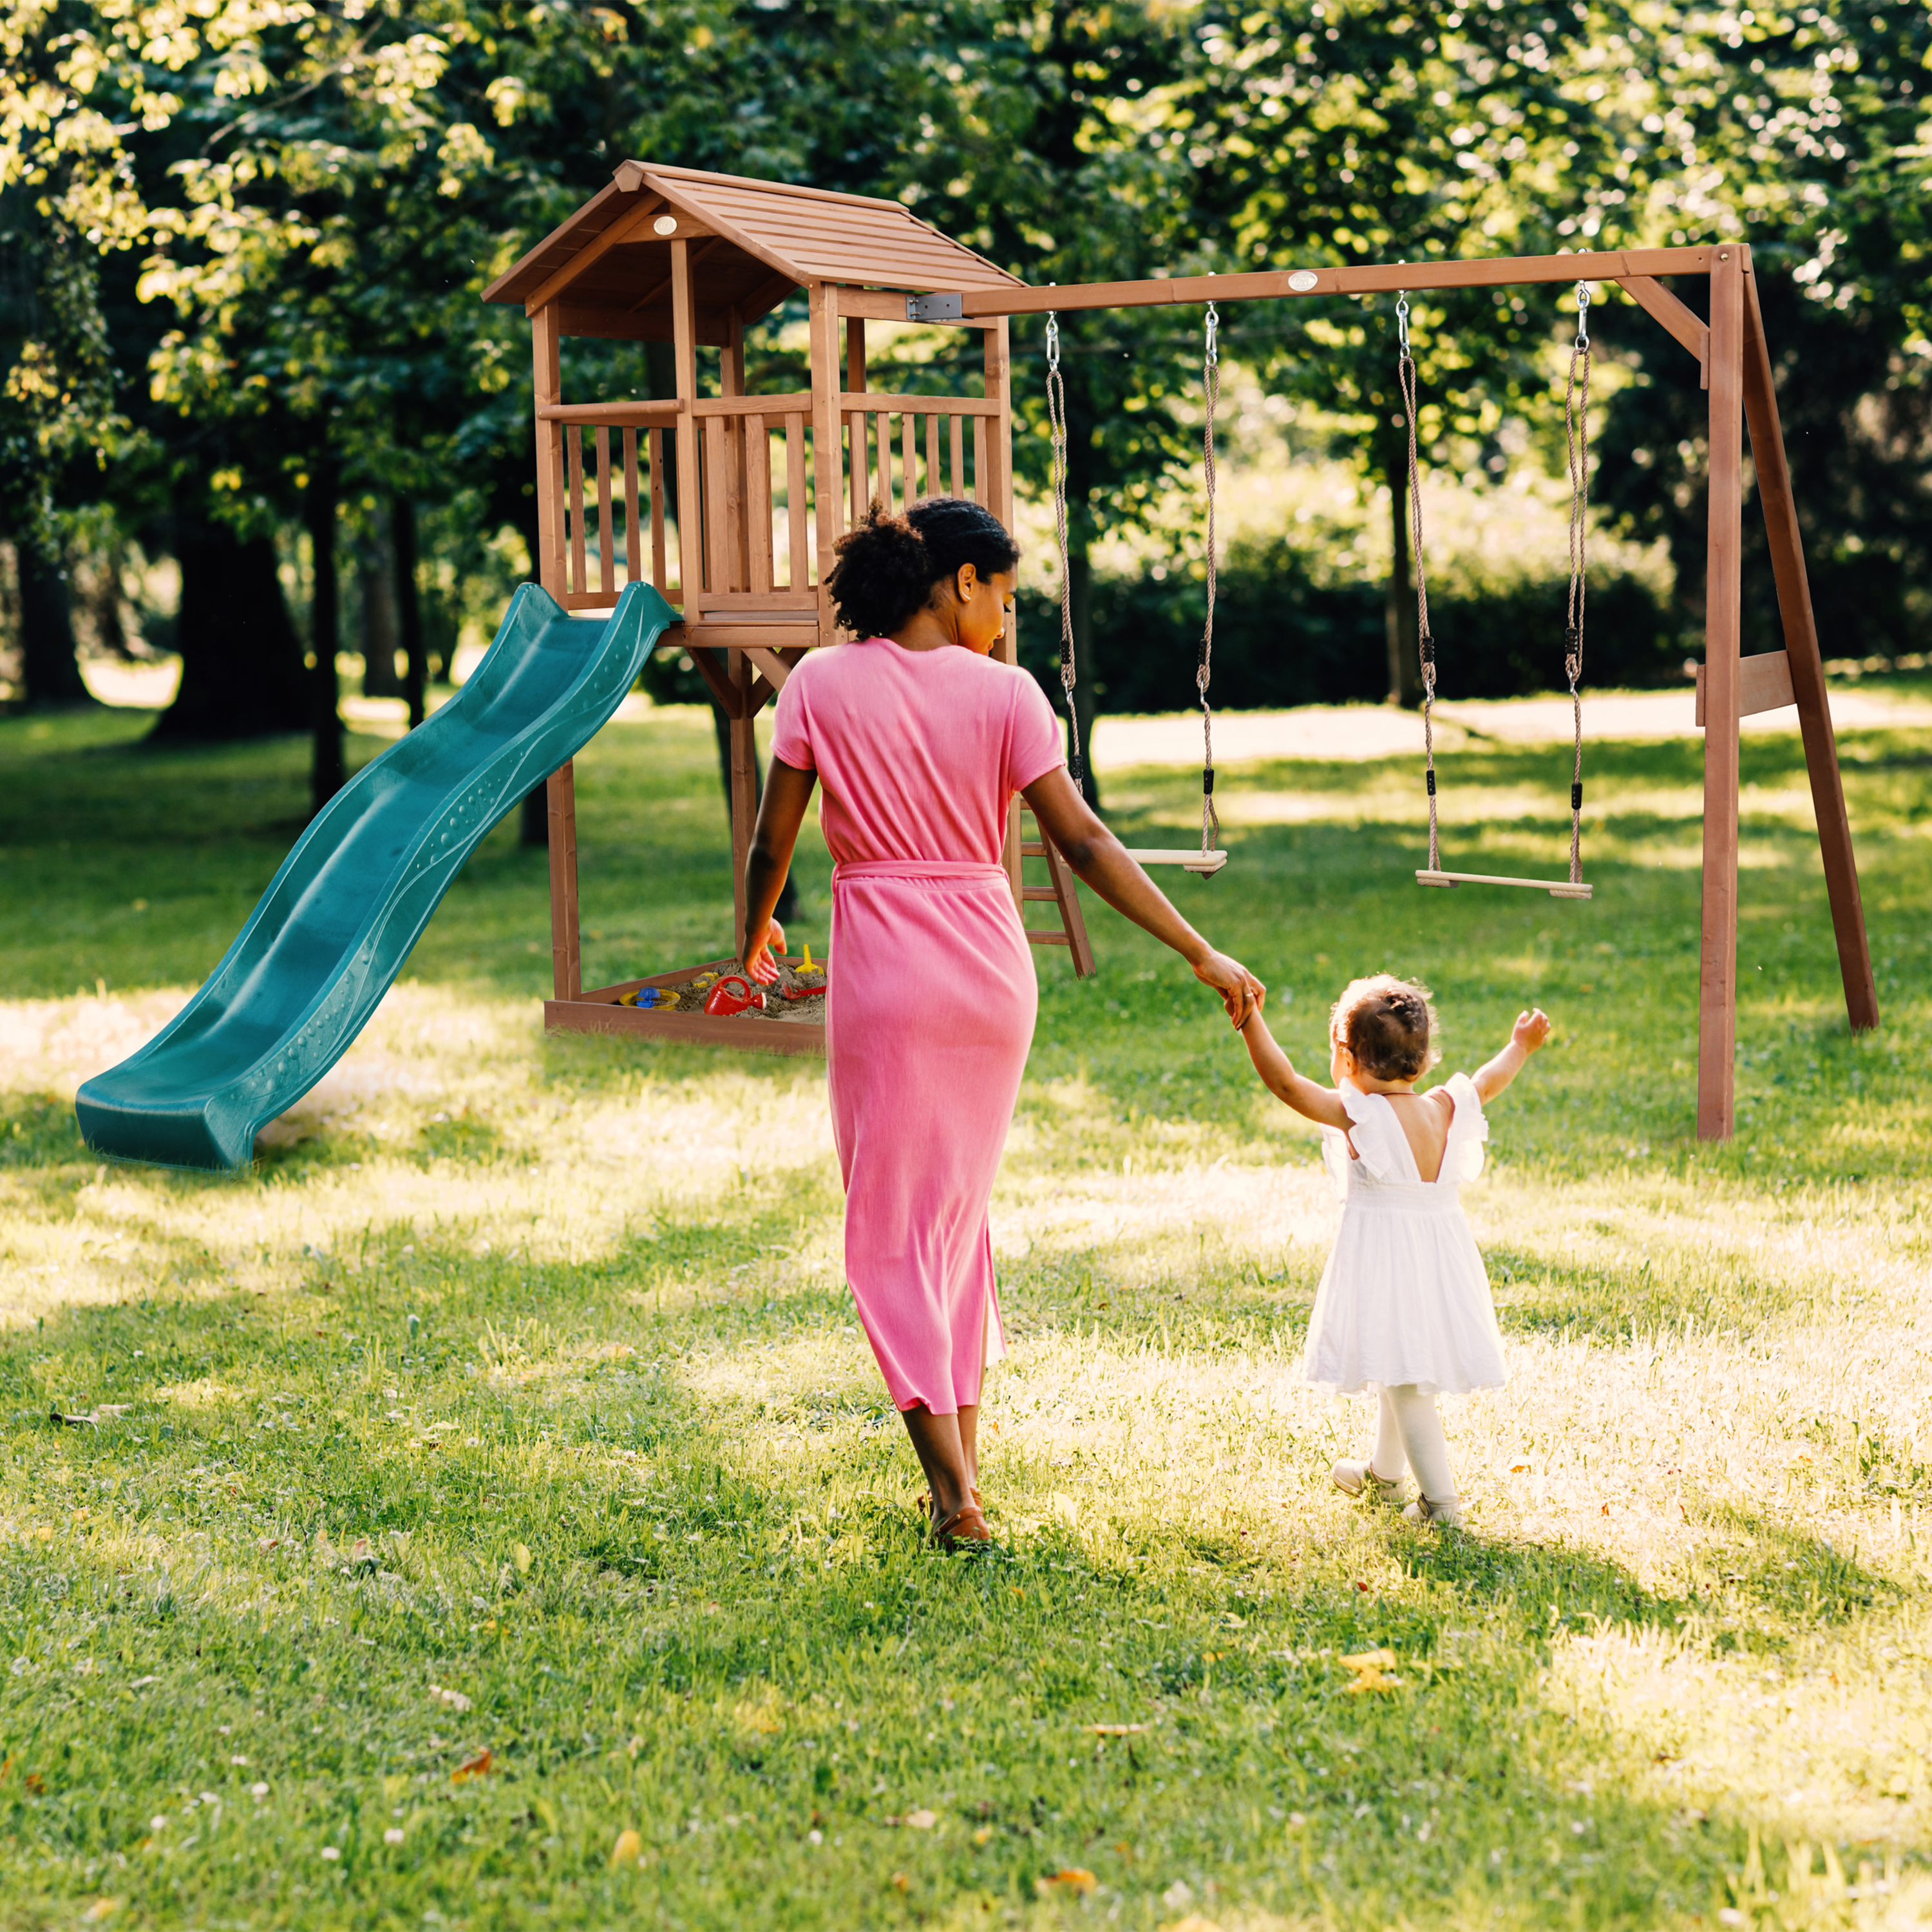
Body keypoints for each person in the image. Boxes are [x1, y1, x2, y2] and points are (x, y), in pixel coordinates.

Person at [740, 497, 1264, 1548]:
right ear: (961, 582)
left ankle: (953, 1496)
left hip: (886, 971)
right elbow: (1083, 844)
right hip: (989, 970)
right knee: (952, 1224)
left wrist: (750, 937)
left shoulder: (819, 684)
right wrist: (1197, 948)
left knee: (890, 1232)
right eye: (1007, 598)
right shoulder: (1010, 696)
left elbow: (772, 843)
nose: (1008, 622)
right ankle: (963, 1476)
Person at [1235, 974, 1551, 1527]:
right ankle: (1384, 1475)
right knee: (1394, 1363)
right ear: (1424, 1061)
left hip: (1389, 1263)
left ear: (1347, 1058)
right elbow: (1488, 1079)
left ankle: (1441, 1505)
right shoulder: (1444, 1107)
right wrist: (1519, 1046)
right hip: (1438, 1260)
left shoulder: (1361, 1116)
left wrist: (1249, 1019)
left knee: (1406, 1384)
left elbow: (1285, 1084)